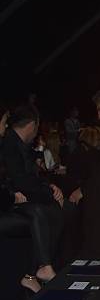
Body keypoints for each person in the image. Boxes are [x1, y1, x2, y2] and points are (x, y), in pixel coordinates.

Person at [2, 105, 67, 283]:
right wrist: (47, 192)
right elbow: (19, 180)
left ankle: (39, 269)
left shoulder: (19, 145)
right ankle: (41, 268)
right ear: (32, 125)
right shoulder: (9, 144)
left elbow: (32, 177)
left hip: (18, 198)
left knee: (54, 210)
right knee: (43, 211)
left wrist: (50, 187)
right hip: (12, 201)